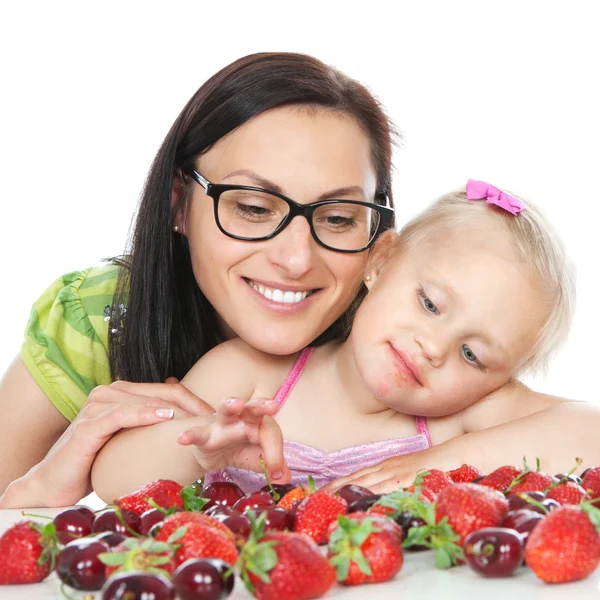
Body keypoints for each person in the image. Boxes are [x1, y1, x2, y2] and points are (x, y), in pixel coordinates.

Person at [0, 51, 396, 507]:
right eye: (253, 208)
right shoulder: (98, 319)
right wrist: (40, 488)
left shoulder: (411, 339)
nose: (296, 260)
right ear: (178, 203)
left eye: (339, 217)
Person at [91, 180, 600, 501]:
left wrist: (436, 464)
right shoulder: (249, 374)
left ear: (498, 377)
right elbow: (113, 481)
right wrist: (201, 452)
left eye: (473, 354)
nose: (434, 347)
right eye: (429, 304)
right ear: (381, 263)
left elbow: (591, 430)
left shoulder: (459, 419)